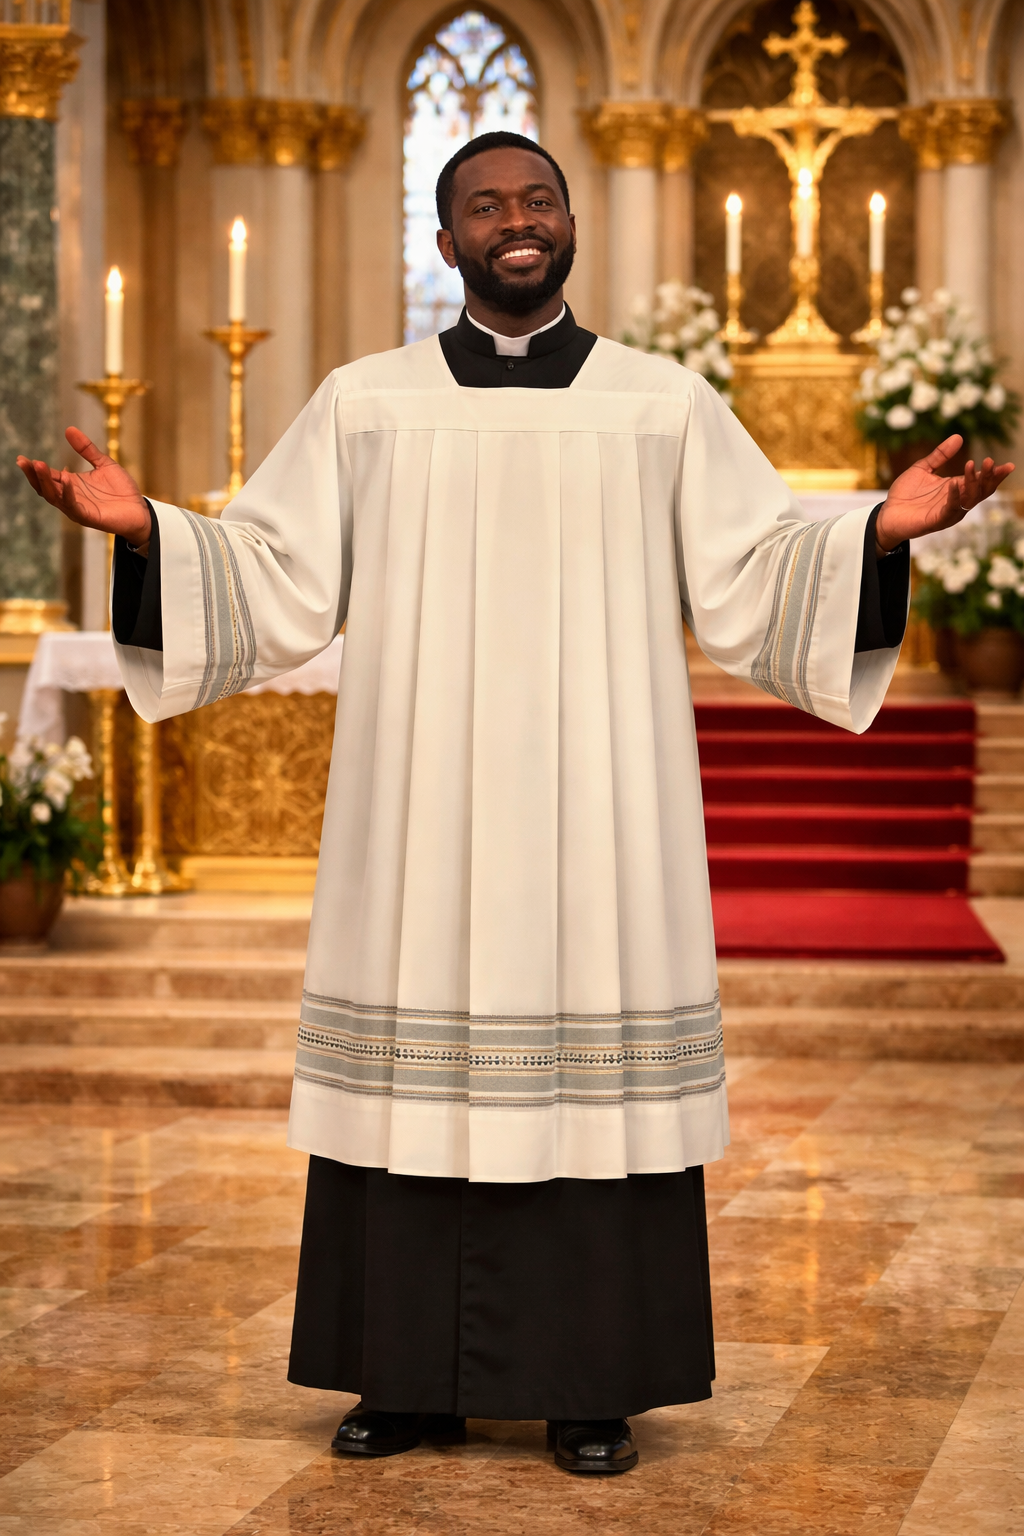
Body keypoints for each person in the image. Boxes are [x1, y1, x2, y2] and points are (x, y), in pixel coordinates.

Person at [17, 131, 1013, 1477]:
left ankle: (591, 1385)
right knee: (409, 1069)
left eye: (538, 199)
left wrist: (876, 535)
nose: (517, 219)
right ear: (446, 244)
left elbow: (758, 570)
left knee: (588, 1067)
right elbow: (271, 573)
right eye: (486, 205)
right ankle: (402, 1379)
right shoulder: (367, 403)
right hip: (418, 809)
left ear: (571, 224)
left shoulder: (661, 404)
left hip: (601, 810)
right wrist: (150, 535)